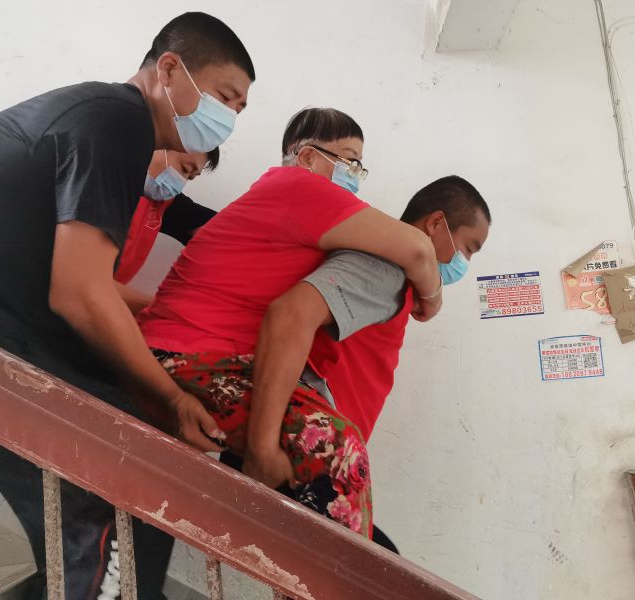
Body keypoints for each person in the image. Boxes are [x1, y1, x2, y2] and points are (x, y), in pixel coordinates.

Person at [0, 12, 254, 598]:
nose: (228, 120)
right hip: (12, 343)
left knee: (133, 477)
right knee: (125, 490)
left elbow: (76, 282)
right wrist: (168, 396)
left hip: (20, 334)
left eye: (239, 110)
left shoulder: (100, 117)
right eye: (225, 98)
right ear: (170, 69)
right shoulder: (118, 120)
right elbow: (80, 293)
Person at [136, 107, 445, 536]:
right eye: (347, 160)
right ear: (307, 157)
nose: (353, 176)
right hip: (187, 355)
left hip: (197, 353)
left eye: (359, 166)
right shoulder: (301, 188)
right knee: (339, 449)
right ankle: (337, 571)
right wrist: (431, 297)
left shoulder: (279, 198)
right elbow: (417, 248)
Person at [115, 148, 220, 314]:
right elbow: (85, 283)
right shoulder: (102, 185)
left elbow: (220, 228)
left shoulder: (163, 202)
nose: (181, 181)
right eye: (185, 168)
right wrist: (166, 309)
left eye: (189, 177)